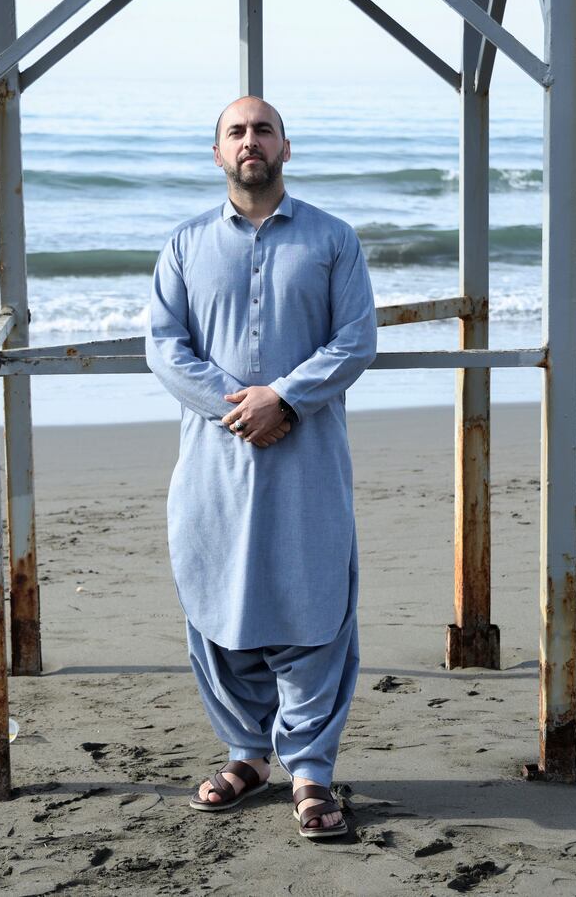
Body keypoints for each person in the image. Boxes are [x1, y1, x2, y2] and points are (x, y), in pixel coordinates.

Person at [145, 95, 377, 840]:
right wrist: (235, 407)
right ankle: (248, 753)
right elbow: (164, 346)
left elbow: (355, 339)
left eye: (264, 130)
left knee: (313, 607)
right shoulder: (182, 245)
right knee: (219, 605)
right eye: (237, 132)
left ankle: (310, 769)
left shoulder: (334, 239)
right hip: (215, 463)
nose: (252, 141)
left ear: (286, 148)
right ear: (218, 154)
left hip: (306, 458)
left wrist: (285, 397)